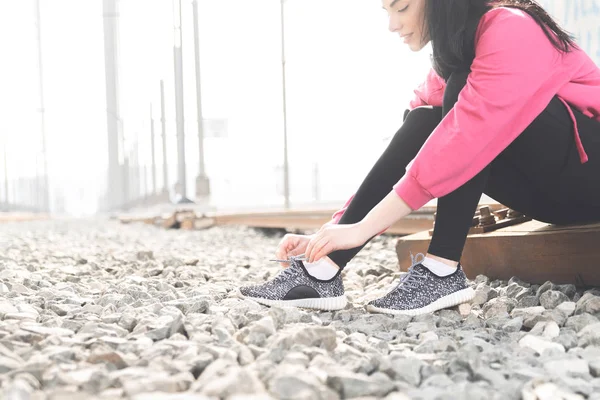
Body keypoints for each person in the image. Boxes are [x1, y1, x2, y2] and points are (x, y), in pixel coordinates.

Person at [239, 0, 600, 316]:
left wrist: (362, 228)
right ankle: (323, 271)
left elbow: (462, 140)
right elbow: (415, 144)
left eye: (402, 7)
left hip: (590, 180)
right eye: (387, 11)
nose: (393, 24)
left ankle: (442, 269)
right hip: (556, 193)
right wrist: (332, 234)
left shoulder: (511, 28)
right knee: (426, 118)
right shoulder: (459, 49)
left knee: (461, 108)